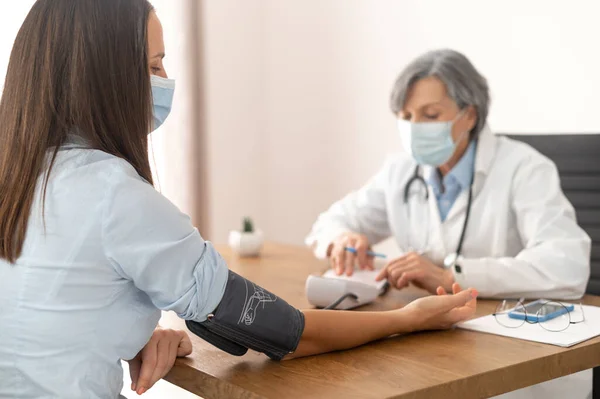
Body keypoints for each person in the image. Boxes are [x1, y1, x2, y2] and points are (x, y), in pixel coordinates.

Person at [0, 2, 478, 398]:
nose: (165, 78)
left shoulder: (16, 175)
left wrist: (134, 333)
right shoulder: (115, 197)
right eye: (152, 65)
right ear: (101, 78)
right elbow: (286, 333)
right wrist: (404, 320)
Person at [306, 49, 592, 398]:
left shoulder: (525, 169)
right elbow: (331, 221)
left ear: (469, 115)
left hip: (518, 354)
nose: (414, 128)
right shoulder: (401, 171)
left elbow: (567, 266)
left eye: (430, 115)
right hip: (432, 345)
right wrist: (342, 238)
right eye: (406, 115)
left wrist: (451, 277)